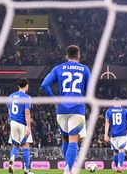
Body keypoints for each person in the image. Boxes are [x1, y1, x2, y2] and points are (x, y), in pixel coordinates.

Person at [41, 45, 91, 174]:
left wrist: (54, 99)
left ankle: (67, 167)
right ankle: (69, 170)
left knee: (65, 139)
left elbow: (44, 84)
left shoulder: (58, 68)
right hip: (77, 108)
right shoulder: (84, 69)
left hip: (62, 109)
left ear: (66, 56)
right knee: (73, 140)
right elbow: (90, 90)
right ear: (79, 56)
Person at [7, 78, 33, 174]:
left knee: (15, 146)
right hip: (22, 123)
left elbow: (9, 111)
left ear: (18, 86)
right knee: (26, 146)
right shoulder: (27, 97)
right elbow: (27, 113)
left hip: (13, 122)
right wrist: (29, 127)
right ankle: (26, 170)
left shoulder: (11, 96)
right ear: (27, 86)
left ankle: (12, 159)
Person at [104, 98, 127, 173]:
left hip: (113, 135)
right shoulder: (125, 110)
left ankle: (117, 168)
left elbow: (107, 123)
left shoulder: (108, 111)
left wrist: (106, 134)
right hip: (122, 134)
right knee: (121, 150)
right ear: (120, 103)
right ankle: (119, 166)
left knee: (115, 152)